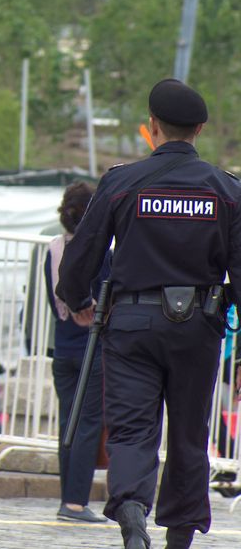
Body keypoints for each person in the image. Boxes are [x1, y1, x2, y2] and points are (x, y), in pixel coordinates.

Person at [57, 78, 241, 549]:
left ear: (152, 125)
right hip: (199, 326)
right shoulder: (227, 190)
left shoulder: (121, 182)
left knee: (132, 427)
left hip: (132, 324)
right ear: (199, 129)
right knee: (187, 433)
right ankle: (178, 537)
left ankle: (133, 510)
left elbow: (83, 254)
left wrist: (78, 301)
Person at [44, 182, 111, 523]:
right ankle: (75, 502)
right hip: (92, 347)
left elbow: (52, 301)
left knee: (66, 424)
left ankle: (66, 497)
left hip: (62, 345)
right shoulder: (101, 253)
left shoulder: (52, 249)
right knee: (88, 424)